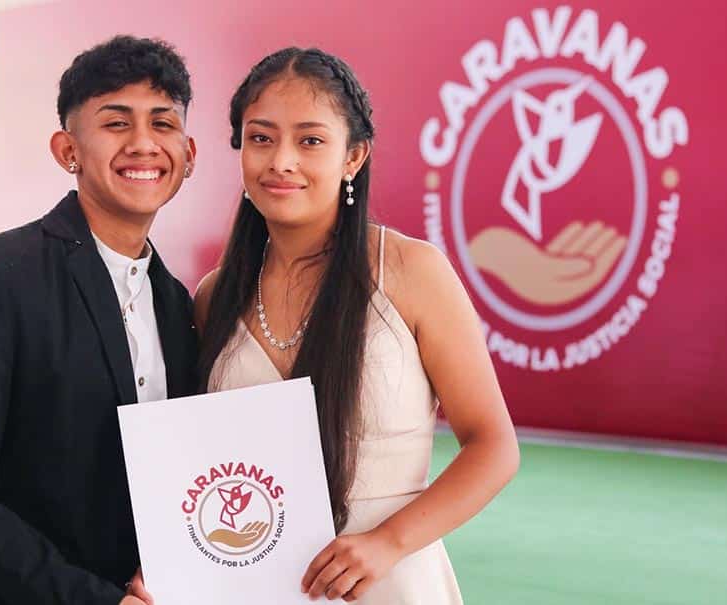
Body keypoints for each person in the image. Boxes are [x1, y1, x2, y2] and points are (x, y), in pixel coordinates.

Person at [191, 47, 520, 604]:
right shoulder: (213, 296)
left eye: (310, 141)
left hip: (390, 582)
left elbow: (494, 447)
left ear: (354, 156)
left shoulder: (411, 271)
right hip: (255, 586)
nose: (282, 161)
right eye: (261, 138)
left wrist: (389, 543)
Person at [0, 36, 198, 605]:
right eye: (116, 123)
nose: (144, 143)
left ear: (189, 154)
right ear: (68, 150)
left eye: (163, 124)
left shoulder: (177, 303)